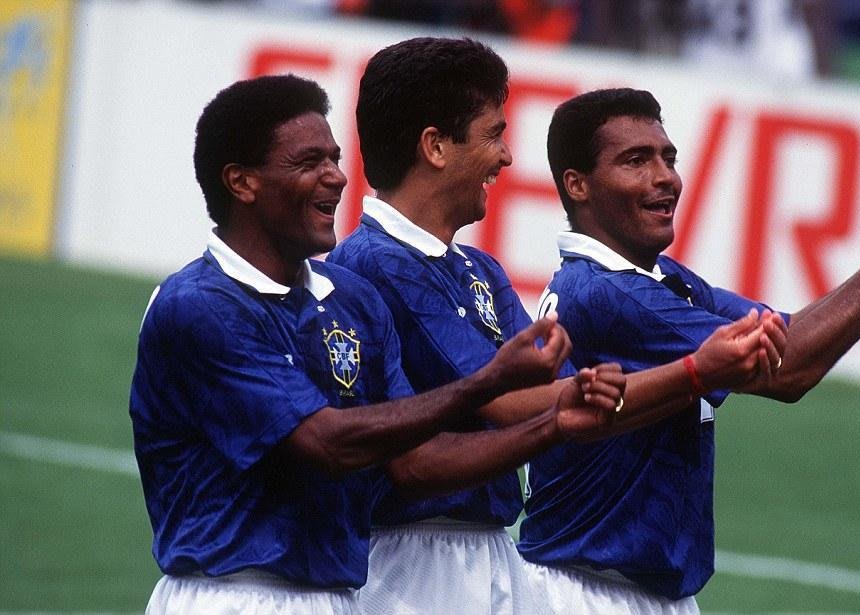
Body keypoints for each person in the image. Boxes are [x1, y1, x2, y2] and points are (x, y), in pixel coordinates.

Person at [128, 74, 628, 614]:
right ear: (241, 182)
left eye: (335, 158)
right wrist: (490, 381)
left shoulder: (353, 300)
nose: (336, 177)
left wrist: (552, 425)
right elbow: (328, 444)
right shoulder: (198, 305)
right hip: (228, 597)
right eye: (309, 163)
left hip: (338, 600)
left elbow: (415, 462)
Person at [328, 38, 787, 614]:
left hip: (489, 552)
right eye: (494, 135)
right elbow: (513, 403)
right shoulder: (375, 262)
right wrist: (694, 372)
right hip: (412, 565)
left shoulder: (479, 269)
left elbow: (566, 395)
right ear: (436, 146)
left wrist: (649, 383)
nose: (506, 157)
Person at [517, 87, 860, 613]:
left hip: (636, 591)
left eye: (668, 158)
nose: (665, 177)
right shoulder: (608, 294)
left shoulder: (658, 279)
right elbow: (788, 369)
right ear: (578, 185)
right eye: (636, 161)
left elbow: (784, 335)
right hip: (587, 594)